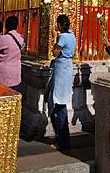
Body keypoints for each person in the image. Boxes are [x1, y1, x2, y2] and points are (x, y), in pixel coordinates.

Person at [45, 14, 77, 151]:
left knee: (58, 105)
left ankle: (63, 140)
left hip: (61, 69)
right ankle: (61, 138)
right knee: (56, 102)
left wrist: (55, 38)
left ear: (59, 24)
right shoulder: (72, 35)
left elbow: (55, 52)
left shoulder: (63, 37)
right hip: (65, 67)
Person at [0, 15, 24, 91]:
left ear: (6, 26)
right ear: (17, 26)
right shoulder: (21, 38)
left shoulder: (4, 39)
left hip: (3, 73)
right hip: (16, 72)